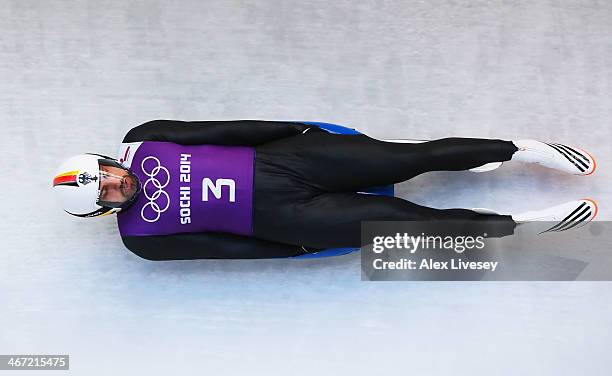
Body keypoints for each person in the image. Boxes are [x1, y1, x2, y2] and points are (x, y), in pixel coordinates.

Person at [52, 120, 598, 260]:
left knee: (410, 158)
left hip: (289, 158)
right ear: (101, 210)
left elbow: (226, 131)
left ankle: (518, 148)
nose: (118, 184)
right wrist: (300, 248)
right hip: (287, 220)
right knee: (408, 225)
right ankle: (524, 224)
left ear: (106, 160)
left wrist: (305, 130)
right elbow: (228, 251)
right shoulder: (142, 238)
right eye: (106, 193)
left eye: (107, 173)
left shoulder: (145, 140)